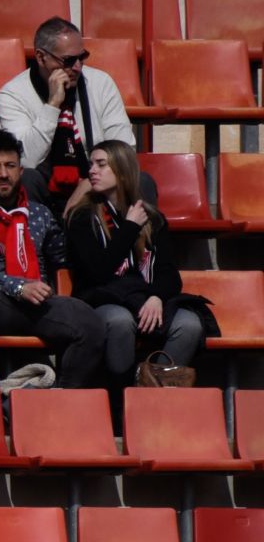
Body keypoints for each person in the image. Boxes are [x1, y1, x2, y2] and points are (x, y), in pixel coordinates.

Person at [0, 129, 106, 389]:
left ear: (21, 170)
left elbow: (63, 257)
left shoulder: (40, 214)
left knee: (90, 321)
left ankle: (62, 394)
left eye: (10, 166)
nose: (3, 174)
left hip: (39, 304)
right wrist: (19, 287)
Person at [65, 140, 206, 386]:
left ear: (122, 170)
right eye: (91, 164)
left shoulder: (152, 218)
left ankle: (152, 389)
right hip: (102, 300)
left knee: (189, 324)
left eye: (101, 165)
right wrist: (129, 228)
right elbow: (98, 272)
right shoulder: (82, 217)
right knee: (120, 321)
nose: (92, 171)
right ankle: (122, 398)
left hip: (143, 298)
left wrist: (156, 297)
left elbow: (169, 274)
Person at [0, 17, 136, 210]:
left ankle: (136, 239)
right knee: (26, 178)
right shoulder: (13, 94)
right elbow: (25, 160)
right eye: (68, 60)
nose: (78, 67)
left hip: (97, 180)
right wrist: (52, 105)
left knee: (142, 181)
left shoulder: (100, 83)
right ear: (41, 57)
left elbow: (124, 151)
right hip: (45, 183)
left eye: (82, 57)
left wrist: (89, 182)